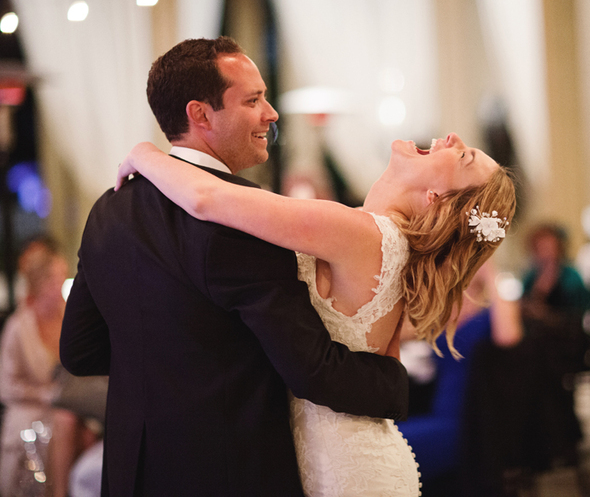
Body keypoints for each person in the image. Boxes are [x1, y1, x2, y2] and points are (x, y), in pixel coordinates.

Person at [59, 37, 411, 497]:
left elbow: (79, 350)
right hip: (229, 472)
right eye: (253, 100)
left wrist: (168, 361)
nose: (272, 113)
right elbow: (310, 371)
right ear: (200, 114)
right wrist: (396, 384)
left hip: (131, 472)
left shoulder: (108, 209)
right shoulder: (247, 223)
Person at [0, 238, 95, 497]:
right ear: (41, 284)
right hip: (32, 407)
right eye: (55, 278)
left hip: (67, 400)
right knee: (66, 420)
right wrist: (48, 394)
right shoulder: (18, 328)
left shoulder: (68, 315)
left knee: (89, 430)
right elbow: (6, 387)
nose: (61, 283)